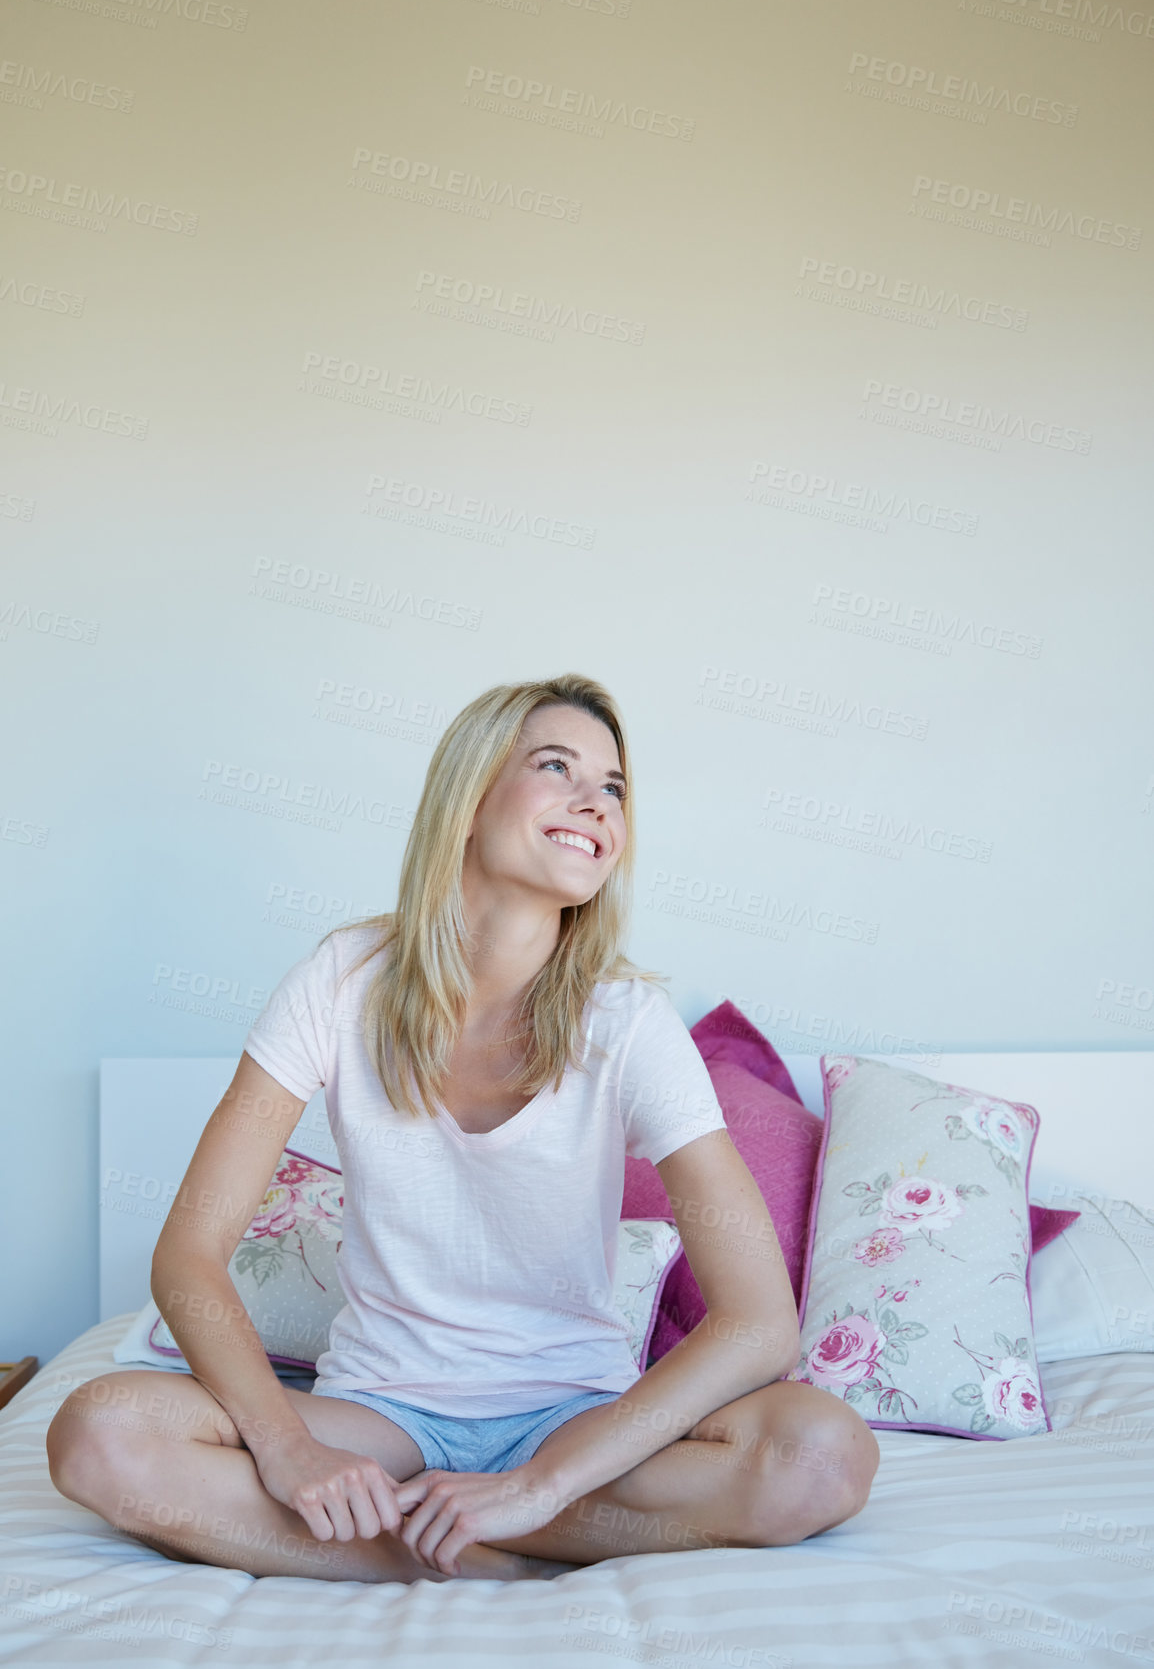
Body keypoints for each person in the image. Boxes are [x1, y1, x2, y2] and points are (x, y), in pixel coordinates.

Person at [48, 673, 879, 1583]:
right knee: (101, 1432)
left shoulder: (628, 1021)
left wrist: (539, 1482)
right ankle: (483, 1551)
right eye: (556, 766)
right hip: (381, 1418)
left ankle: (449, 1538)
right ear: (471, 798)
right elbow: (188, 1255)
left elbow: (761, 1323)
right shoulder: (340, 979)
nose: (594, 802)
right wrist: (285, 1446)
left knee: (824, 1454)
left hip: (572, 1422)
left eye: (614, 787)